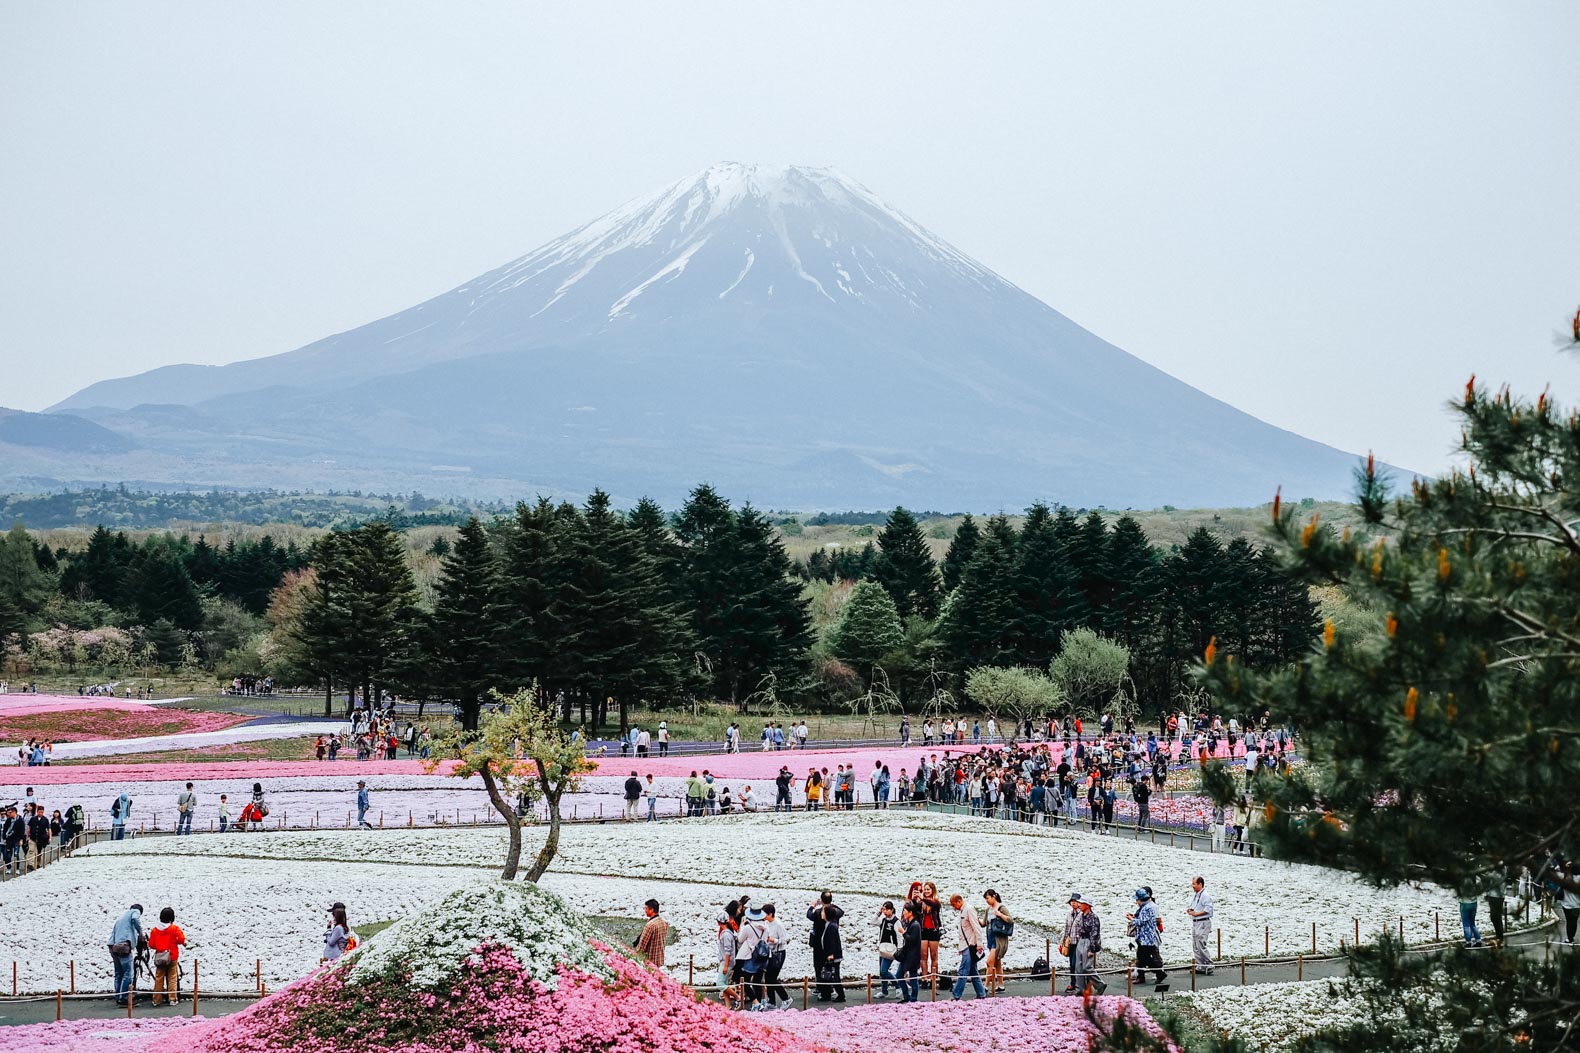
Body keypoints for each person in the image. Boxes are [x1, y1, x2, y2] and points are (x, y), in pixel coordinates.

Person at [808, 891, 845, 1002]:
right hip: (826, 949)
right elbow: (841, 911)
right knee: (828, 971)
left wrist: (812, 906)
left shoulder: (827, 921)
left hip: (826, 950)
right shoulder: (835, 914)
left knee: (826, 971)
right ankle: (827, 992)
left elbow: (809, 914)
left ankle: (831, 993)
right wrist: (830, 904)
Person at [949, 894, 986, 1000]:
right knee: (973, 970)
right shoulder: (963, 911)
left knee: (963, 971)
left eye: (953, 904)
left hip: (970, 945)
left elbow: (976, 927)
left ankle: (956, 995)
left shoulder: (969, 909)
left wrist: (979, 944)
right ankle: (981, 993)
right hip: (966, 945)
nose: (953, 907)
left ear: (959, 901)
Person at [108, 903, 145, 1007]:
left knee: (118, 973)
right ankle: (124, 998)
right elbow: (135, 919)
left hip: (112, 946)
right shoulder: (134, 912)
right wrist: (140, 932)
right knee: (128, 973)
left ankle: (118, 996)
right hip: (123, 946)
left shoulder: (121, 918)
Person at [1128, 887, 1166, 985]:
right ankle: (1142, 976)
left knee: (1145, 958)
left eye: (1137, 900)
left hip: (1147, 938)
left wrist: (1131, 919)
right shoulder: (1150, 906)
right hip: (1146, 937)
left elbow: (1141, 922)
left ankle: (1159, 973)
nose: (1136, 902)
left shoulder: (1147, 908)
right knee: (1141, 957)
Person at [148, 907, 186, 1005]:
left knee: (159, 978)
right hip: (172, 956)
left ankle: (156, 1000)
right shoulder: (174, 928)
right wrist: (176, 942)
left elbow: (151, 945)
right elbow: (181, 939)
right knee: (172, 978)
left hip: (160, 958)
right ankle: (172, 999)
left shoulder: (155, 930)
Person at [1073, 896, 1106, 994]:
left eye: (1082, 903)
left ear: (1087, 905)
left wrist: (1092, 949)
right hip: (1081, 940)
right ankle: (1080, 989)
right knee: (1078, 967)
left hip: (1088, 941)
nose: (1079, 905)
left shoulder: (1093, 917)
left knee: (1086, 966)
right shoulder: (1082, 915)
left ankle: (1100, 984)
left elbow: (1094, 933)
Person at [983, 889, 1013, 994]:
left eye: (987, 898)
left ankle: (985, 987)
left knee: (989, 962)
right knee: (997, 963)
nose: (986, 901)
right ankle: (1001, 986)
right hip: (990, 938)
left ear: (993, 897)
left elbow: (1010, 920)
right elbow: (984, 923)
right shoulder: (988, 910)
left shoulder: (1001, 907)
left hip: (998, 939)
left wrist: (999, 914)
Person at [1186, 876, 1214, 975]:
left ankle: (1208, 964)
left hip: (1202, 922)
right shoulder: (1197, 895)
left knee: (1201, 943)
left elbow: (1208, 909)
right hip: (1196, 922)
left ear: (1200, 884)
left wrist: (1196, 914)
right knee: (1196, 945)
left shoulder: (1205, 895)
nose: (1192, 886)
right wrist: (1191, 910)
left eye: (1194, 884)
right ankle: (1200, 965)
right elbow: (1196, 907)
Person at [895, 902, 923, 1002]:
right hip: (907, 955)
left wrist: (904, 933)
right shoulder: (911, 924)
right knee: (899, 975)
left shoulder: (915, 925)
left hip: (912, 956)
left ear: (910, 912)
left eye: (905, 911)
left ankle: (913, 998)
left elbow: (912, 940)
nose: (903, 913)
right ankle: (907, 996)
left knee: (913, 977)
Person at [1059, 893, 1084, 993]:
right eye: (1072, 901)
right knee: (1072, 964)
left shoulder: (1082, 914)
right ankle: (1073, 983)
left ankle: (1077, 984)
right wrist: (1063, 941)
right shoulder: (1069, 914)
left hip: (1079, 942)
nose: (1073, 903)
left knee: (1076, 964)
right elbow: (1066, 928)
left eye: (1075, 901)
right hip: (1071, 943)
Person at [875, 901, 900, 998]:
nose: (885, 912)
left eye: (887, 909)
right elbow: (872, 921)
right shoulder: (883, 920)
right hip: (882, 948)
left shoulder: (896, 922)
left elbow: (899, 936)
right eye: (884, 909)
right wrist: (878, 913)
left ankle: (898, 986)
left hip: (890, 949)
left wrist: (899, 948)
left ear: (892, 910)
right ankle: (884, 991)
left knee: (884, 970)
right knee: (881, 972)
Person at [636, 899, 669, 967]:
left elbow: (642, 946)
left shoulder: (650, 925)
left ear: (652, 910)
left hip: (649, 961)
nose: (645, 911)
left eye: (646, 909)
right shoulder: (663, 923)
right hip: (659, 960)